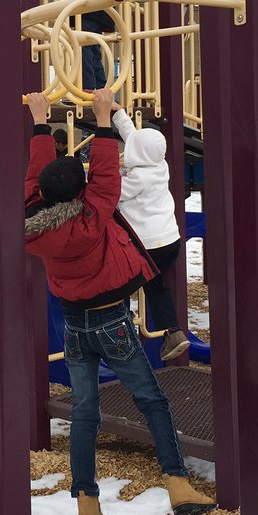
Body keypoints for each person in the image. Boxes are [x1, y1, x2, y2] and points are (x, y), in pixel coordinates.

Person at [24, 88, 216, 515]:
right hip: (112, 321)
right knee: (150, 399)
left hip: (75, 325)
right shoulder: (94, 216)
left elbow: (36, 177)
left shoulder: (34, 218)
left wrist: (39, 123)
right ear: (84, 190)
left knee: (85, 410)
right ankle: (177, 483)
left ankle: (87, 501)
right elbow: (107, 172)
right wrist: (104, 118)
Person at [111, 107, 190, 361]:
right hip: (169, 240)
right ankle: (174, 331)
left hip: (147, 246)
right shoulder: (159, 165)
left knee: (119, 284)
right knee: (156, 286)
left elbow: (112, 193)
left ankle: (122, 328)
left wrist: (103, 172)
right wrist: (118, 114)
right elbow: (134, 137)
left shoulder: (138, 178)